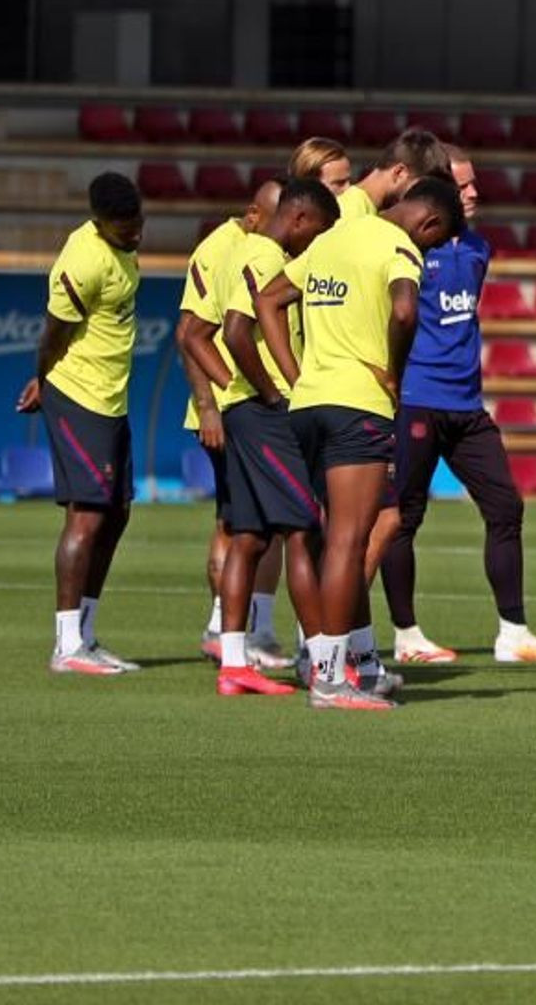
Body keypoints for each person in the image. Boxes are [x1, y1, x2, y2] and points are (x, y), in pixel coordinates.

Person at [259, 174, 464, 709]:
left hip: (309, 405)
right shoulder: (398, 247)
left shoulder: (331, 239)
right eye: (434, 242)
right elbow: (404, 310)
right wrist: (394, 373)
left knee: (325, 540)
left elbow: (269, 301)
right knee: (350, 541)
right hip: (358, 407)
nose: (429, 249)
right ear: (430, 222)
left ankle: (354, 667)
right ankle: (330, 678)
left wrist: (296, 373)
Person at [376, 148, 536, 668]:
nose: (473, 194)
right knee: (403, 518)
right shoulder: (404, 249)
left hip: (466, 405)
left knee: (506, 507)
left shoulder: (480, 250)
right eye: (463, 186)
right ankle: (406, 634)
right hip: (417, 400)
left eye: (474, 186)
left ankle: (513, 633)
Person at [205, 181, 341, 695]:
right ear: (301, 219)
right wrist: (270, 392)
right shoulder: (265, 256)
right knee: (305, 529)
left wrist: (232, 393)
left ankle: (235, 664)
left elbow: (198, 330)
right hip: (265, 413)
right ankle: (322, 665)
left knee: (249, 536)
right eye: (319, 234)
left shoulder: (242, 251)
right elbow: (238, 329)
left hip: (243, 409)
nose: (317, 245)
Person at [27, 172, 149, 676]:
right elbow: (54, 334)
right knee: (87, 515)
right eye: (124, 228)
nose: (135, 234)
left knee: (117, 513)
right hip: (79, 395)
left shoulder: (122, 246)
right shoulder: (83, 261)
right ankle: (66, 645)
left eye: (138, 223)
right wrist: (41, 381)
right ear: (100, 223)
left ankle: (88, 634)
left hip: (110, 398)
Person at [174, 176, 292, 672]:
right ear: (253, 216)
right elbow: (191, 333)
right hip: (236, 406)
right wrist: (210, 404)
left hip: (245, 403)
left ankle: (245, 630)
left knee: (256, 523)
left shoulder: (260, 250)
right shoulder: (224, 250)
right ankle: (227, 628)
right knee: (238, 524)